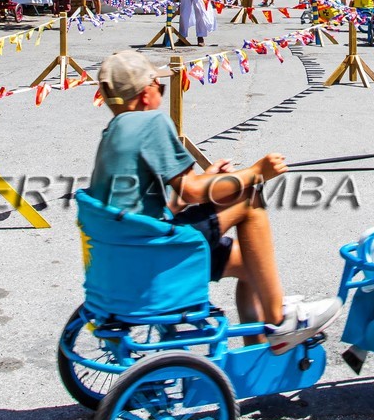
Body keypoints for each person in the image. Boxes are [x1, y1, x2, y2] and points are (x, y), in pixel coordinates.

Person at [88, 50, 340, 351]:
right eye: (161, 87)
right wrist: (256, 171)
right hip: (157, 254)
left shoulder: (112, 134)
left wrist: (207, 177)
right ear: (146, 93)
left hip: (130, 252)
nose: (162, 94)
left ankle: (256, 350)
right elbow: (193, 191)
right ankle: (279, 321)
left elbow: (165, 202)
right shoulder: (151, 123)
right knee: (248, 196)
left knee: (252, 265)